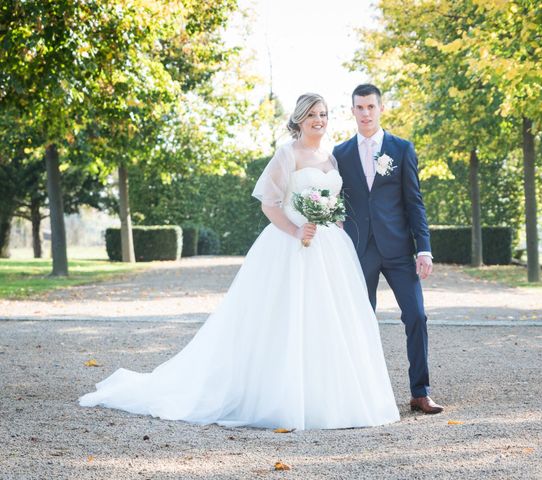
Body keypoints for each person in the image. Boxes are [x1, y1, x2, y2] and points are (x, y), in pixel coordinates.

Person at [79, 93, 400, 430]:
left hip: (329, 248)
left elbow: (334, 202)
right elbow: (270, 203)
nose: (318, 120)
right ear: (299, 120)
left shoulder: (332, 159)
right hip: (291, 245)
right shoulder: (287, 153)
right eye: (311, 115)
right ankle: (279, 396)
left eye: (323, 114)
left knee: (328, 320)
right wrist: (296, 230)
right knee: (283, 320)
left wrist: (330, 222)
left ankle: (331, 399)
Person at [333, 84, 443, 414]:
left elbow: (415, 203)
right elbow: (337, 201)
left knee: (417, 316)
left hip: (398, 249)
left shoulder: (402, 149)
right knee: (359, 320)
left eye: (370, 107)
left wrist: (424, 249)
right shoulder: (340, 154)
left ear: (381, 109)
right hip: (359, 249)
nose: (365, 113)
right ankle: (360, 393)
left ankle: (420, 392)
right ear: (352, 111)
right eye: (359, 108)